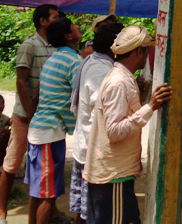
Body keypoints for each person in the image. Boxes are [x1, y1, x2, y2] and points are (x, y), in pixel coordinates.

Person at [84, 25, 172, 224]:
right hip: (113, 175)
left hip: (115, 173)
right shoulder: (119, 82)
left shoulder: (123, 78)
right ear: (139, 51)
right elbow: (114, 131)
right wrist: (150, 106)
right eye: (146, 50)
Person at [0, 3, 59, 224]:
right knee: (12, 163)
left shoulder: (55, 47)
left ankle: (49, 212)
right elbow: (21, 82)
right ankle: (1, 212)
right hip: (25, 116)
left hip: (45, 118)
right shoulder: (29, 46)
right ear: (43, 21)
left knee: (43, 166)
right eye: (54, 17)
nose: (57, 20)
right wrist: (31, 113)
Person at [26, 16, 83, 224]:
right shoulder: (74, 62)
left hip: (38, 130)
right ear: (68, 35)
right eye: (74, 26)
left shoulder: (53, 58)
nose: (78, 27)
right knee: (48, 196)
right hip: (50, 133)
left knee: (37, 190)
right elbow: (77, 98)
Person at [70, 21, 123, 224]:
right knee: (94, 211)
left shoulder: (92, 61)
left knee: (87, 211)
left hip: (87, 146)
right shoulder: (102, 71)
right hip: (93, 150)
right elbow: (105, 114)